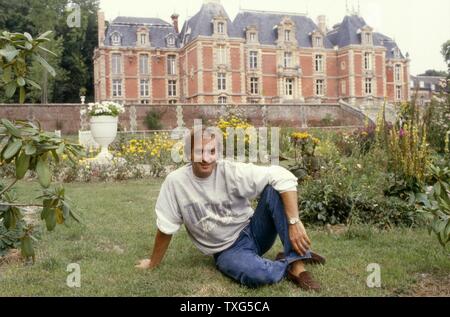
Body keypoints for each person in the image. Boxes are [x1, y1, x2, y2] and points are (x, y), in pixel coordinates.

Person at [136, 128, 325, 291]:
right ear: (188, 154)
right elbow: (166, 227)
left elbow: (282, 175)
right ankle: (289, 260)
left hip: (253, 231)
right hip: (227, 250)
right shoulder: (176, 182)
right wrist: (153, 263)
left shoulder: (229, 170)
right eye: (199, 151)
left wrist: (294, 221)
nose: (206, 158)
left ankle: (297, 265)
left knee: (274, 188)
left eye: (212, 151)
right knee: (258, 276)